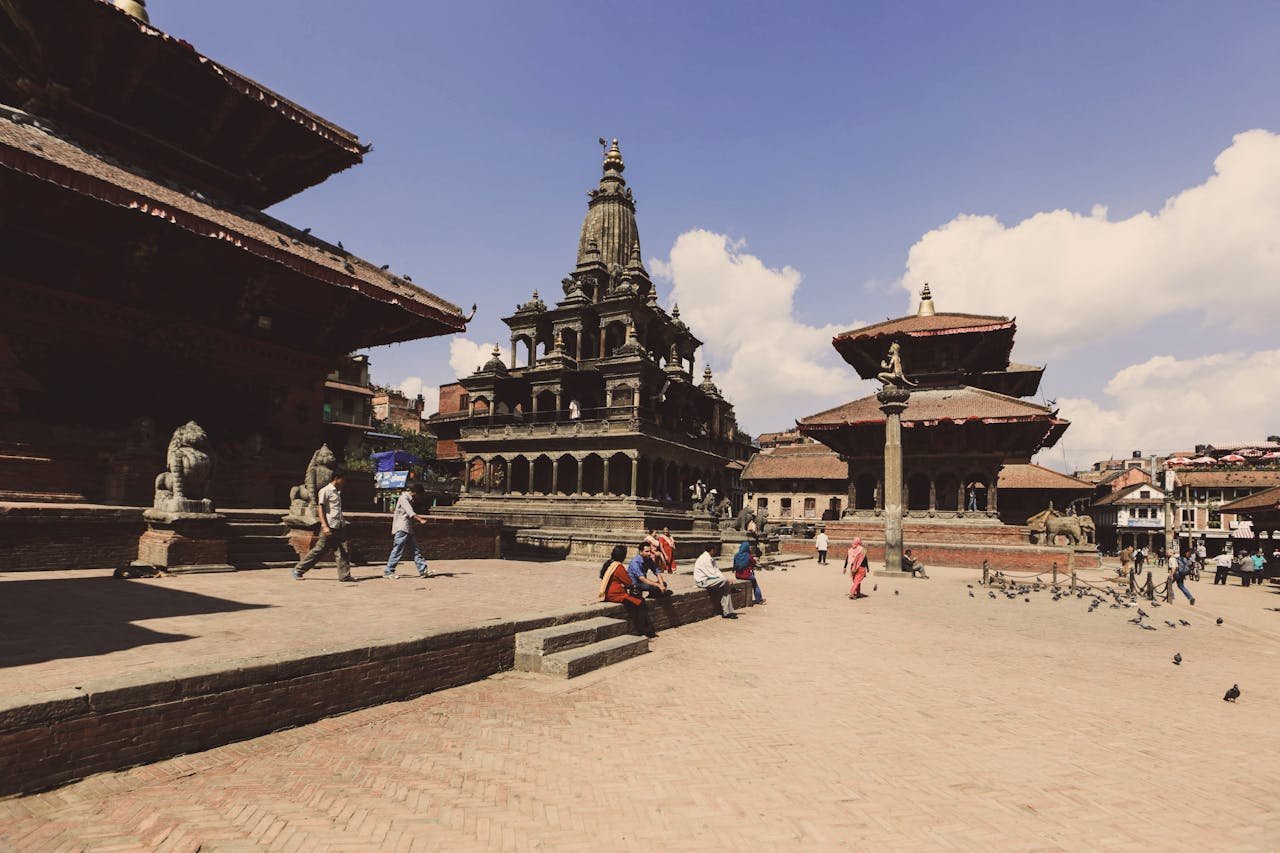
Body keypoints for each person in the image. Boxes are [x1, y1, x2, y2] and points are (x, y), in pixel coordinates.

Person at [293, 472, 354, 582]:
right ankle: (298, 569)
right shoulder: (325, 491)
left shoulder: (337, 492)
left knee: (343, 550)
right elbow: (320, 508)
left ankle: (344, 575)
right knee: (319, 550)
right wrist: (324, 525)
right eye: (343, 479)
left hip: (339, 525)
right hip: (329, 526)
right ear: (336, 478)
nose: (344, 482)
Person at [598, 544, 656, 638]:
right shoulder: (618, 567)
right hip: (616, 595)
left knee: (637, 603)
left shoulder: (609, 564)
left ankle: (643, 629)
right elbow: (628, 581)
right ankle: (643, 630)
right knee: (640, 603)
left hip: (610, 593)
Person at [383, 482, 431, 579]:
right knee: (398, 550)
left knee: (415, 550)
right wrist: (420, 519)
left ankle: (423, 570)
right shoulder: (404, 498)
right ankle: (389, 571)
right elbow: (410, 512)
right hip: (402, 528)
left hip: (407, 528)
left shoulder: (409, 499)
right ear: (415, 493)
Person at [693, 543, 737, 619]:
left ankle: (727, 612)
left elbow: (717, 571)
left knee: (725, 585)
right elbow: (711, 574)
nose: (716, 551)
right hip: (703, 581)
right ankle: (727, 611)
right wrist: (726, 579)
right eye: (715, 550)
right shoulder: (705, 559)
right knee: (725, 582)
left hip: (709, 580)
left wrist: (725, 578)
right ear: (712, 550)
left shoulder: (710, 558)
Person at [733, 540, 765, 604]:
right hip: (747, 575)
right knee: (755, 586)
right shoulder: (749, 556)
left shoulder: (736, 555)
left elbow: (734, 565)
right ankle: (759, 600)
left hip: (738, 575)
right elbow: (753, 563)